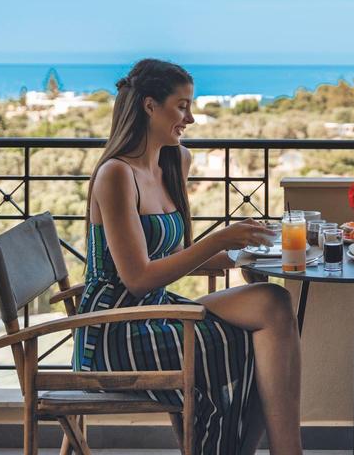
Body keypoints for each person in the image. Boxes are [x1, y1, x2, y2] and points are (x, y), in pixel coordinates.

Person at [73, 59, 303, 455]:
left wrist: (248, 254)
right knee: (240, 343)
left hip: (157, 311)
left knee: (273, 303)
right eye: (182, 106)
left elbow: (176, 256)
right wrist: (217, 241)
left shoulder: (173, 161)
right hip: (115, 331)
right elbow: (139, 279)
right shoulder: (116, 174)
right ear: (149, 106)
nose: (190, 118)